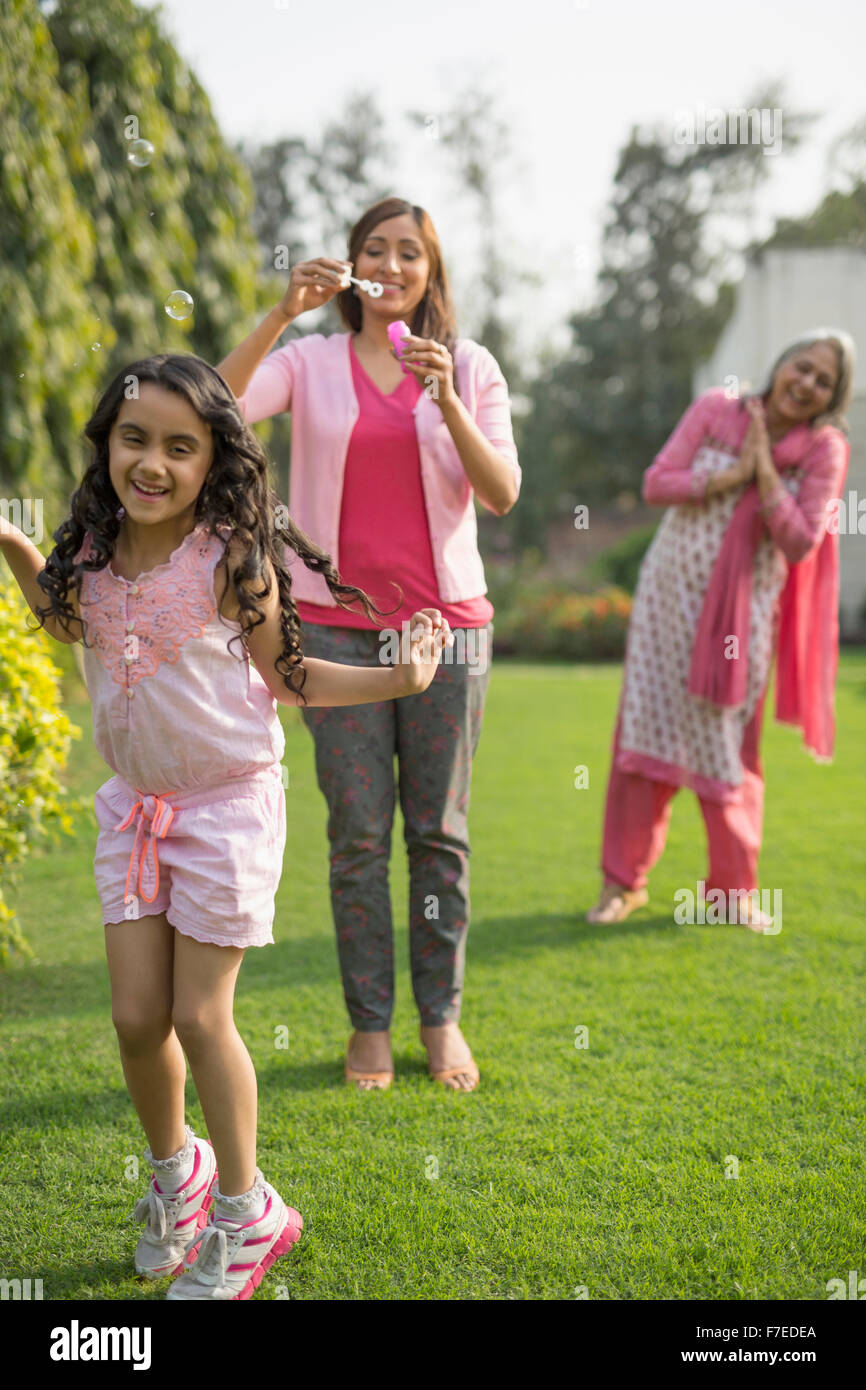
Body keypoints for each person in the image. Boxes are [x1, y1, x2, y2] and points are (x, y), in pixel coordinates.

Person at [0, 353, 452, 1299]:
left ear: (215, 462)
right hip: (137, 809)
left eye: (180, 446)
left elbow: (293, 679)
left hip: (227, 809)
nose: (153, 463)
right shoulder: (88, 549)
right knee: (135, 1020)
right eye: (135, 439)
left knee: (201, 1016)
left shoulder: (228, 559)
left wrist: (400, 679)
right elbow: (65, 619)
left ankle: (250, 1215)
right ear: (105, 445)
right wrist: (11, 542)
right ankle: (180, 1175)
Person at [218, 196, 520, 1091]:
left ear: (431, 274)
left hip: (447, 633)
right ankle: (369, 1026)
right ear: (350, 268)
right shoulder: (309, 361)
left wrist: (447, 400)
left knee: (440, 836)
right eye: (373, 251)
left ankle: (442, 1019)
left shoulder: (468, 365)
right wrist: (279, 313)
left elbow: (500, 490)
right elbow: (213, 404)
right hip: (334, 631)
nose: (391, 265)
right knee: (356, 837)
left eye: (409, 254)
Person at [586, 329, 854, 930]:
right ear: (781, 362)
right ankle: (621, 884)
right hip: (666, 603)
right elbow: (657, 483)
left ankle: (732, 895)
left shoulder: (823, 450)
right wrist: (731, 477)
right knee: (645, 732)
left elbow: (801, 540)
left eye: (824, 382)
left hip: (743, 618)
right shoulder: (715, 409)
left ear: (833, 398)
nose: (806, 384)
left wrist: (762, 473)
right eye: (802, 367)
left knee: (728, 744)